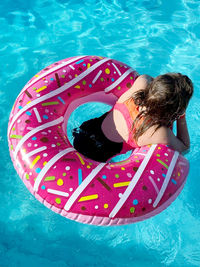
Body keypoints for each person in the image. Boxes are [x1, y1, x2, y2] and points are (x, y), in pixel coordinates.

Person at [72, 73, 194, 162]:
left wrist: (158, 91)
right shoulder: (158, 132)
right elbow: (184, 148)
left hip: (85, 130)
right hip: (98, 155)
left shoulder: (142, 83)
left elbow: (150, 79)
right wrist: (181, 116)